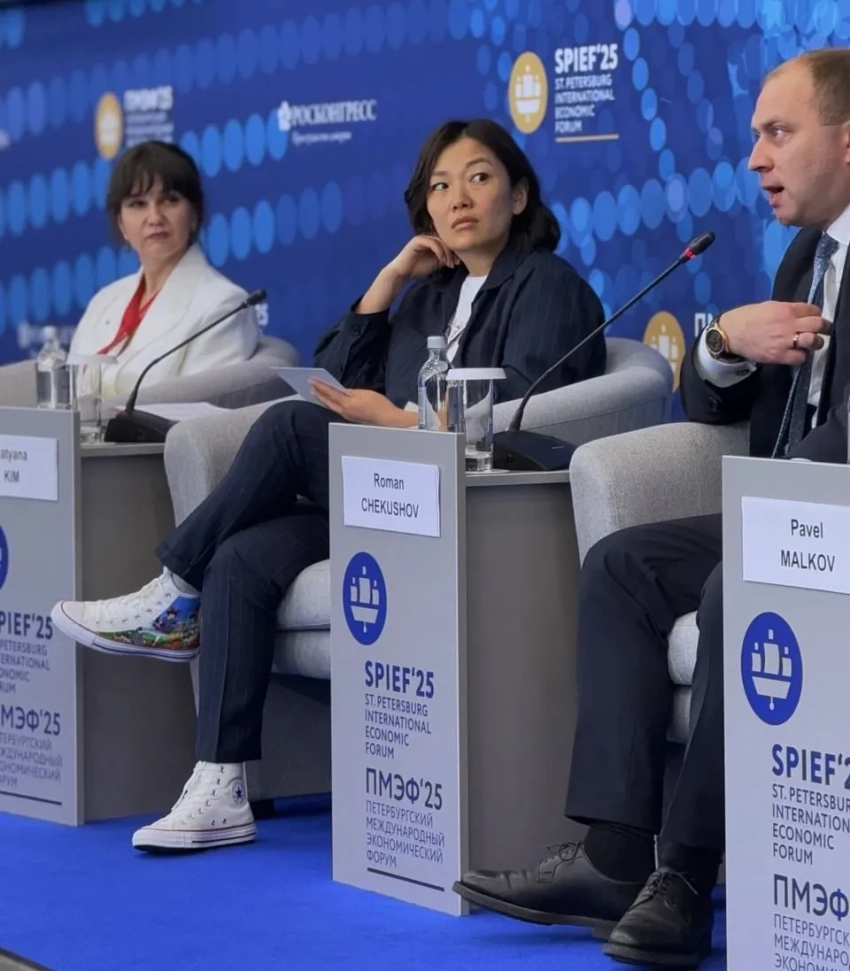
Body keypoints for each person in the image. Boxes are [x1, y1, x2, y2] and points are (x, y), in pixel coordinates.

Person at [50, 118, 607, 853]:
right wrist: (390, 280)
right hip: (383, 494)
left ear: (520, 193)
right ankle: (220, 783)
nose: (458, 198)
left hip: (465, 498)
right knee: (241, 558)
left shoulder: (549, 285)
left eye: (478, 178)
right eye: (440, 185)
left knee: (289, 428)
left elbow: (525, 407)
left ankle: (172, 589)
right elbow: (338, 381)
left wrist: (400, 421)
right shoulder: (429, 293)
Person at [454, 47, 850, 968]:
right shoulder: (807, 255)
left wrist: (781, 505)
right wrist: (724, 343)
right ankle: (614, 853)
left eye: (778, 133)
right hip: (793, 521)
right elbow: (715, 408)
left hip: (824, 519)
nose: (756, 157)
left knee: (731, 587)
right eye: (755, 134)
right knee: (623, 564)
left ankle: (688, 876)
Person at [67, 140, 259, 398]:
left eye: (169, 200)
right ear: (121, 224)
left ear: (194, 214)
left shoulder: (223, 305)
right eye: (138, 204)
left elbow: (203, 412)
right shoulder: (104, 301)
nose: (155, 217)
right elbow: (70, 397)